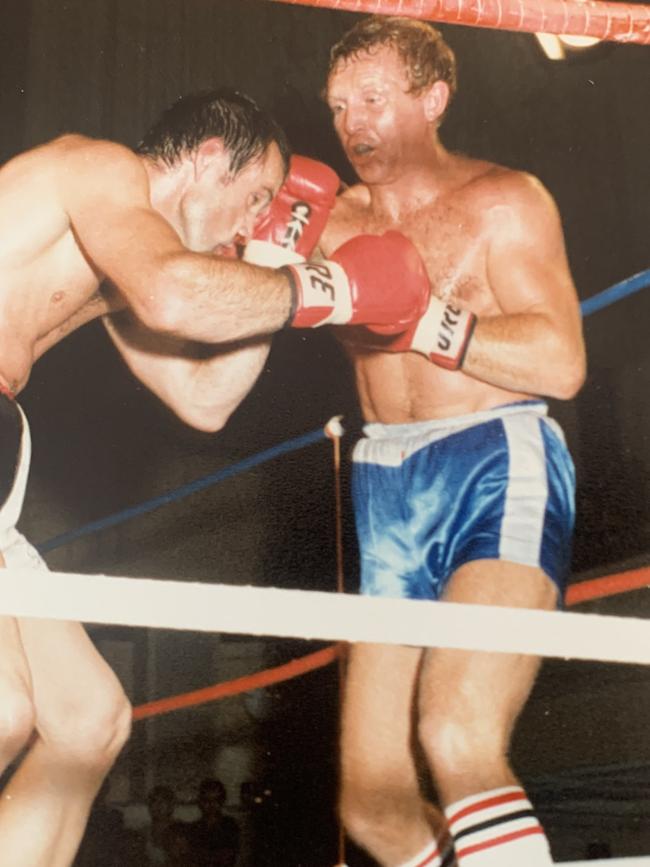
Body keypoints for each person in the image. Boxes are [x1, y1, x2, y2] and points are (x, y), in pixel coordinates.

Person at [0, 86, 430, 867]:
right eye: (257, 199)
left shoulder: (123, 265)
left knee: (89, 719)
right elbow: (174, 294)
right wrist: (333, 292)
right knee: (2, 706)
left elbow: (208, 400)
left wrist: (282, 258)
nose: (255, 222)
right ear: (204, 160)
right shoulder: (99, 170)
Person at [316, 15, 587, 867]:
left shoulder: (505, 201)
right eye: (336, 105)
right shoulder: (327, 222)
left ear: (433, 99)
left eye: (372, 97)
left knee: (456, 726)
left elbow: (564, 362)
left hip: (494, 459)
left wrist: (430, 322)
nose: (352, 121)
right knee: (371, 804)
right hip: (383, 480)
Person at [185, 778, 240, 867]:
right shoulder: (194, 828)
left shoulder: (230, 825)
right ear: (200, 802)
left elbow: (229, 856)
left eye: (216, 800)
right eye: (206, 800)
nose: (211, 804)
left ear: (222, 801)